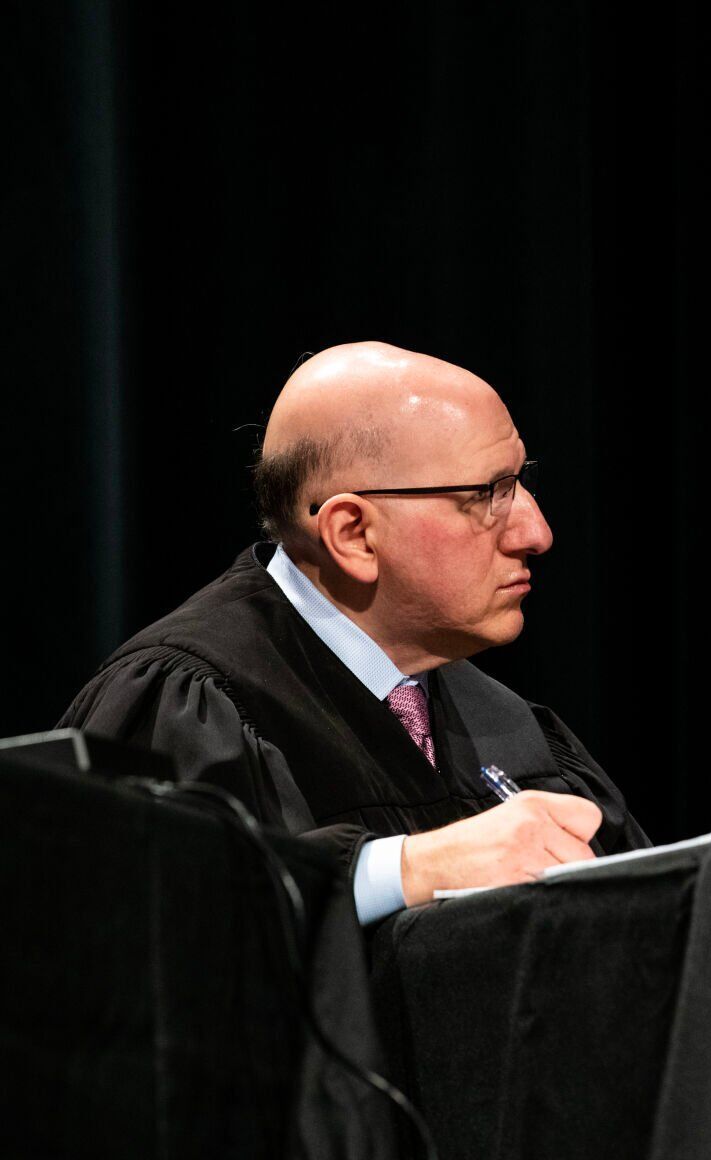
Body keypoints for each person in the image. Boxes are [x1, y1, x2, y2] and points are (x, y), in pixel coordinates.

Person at [61, 342, 648, 922]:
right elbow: (157, 935)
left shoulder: (510, 728)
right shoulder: (189, 707)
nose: (535, 532)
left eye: (520, 482)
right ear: (354, 535)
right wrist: (407, 870)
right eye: (488, 493)